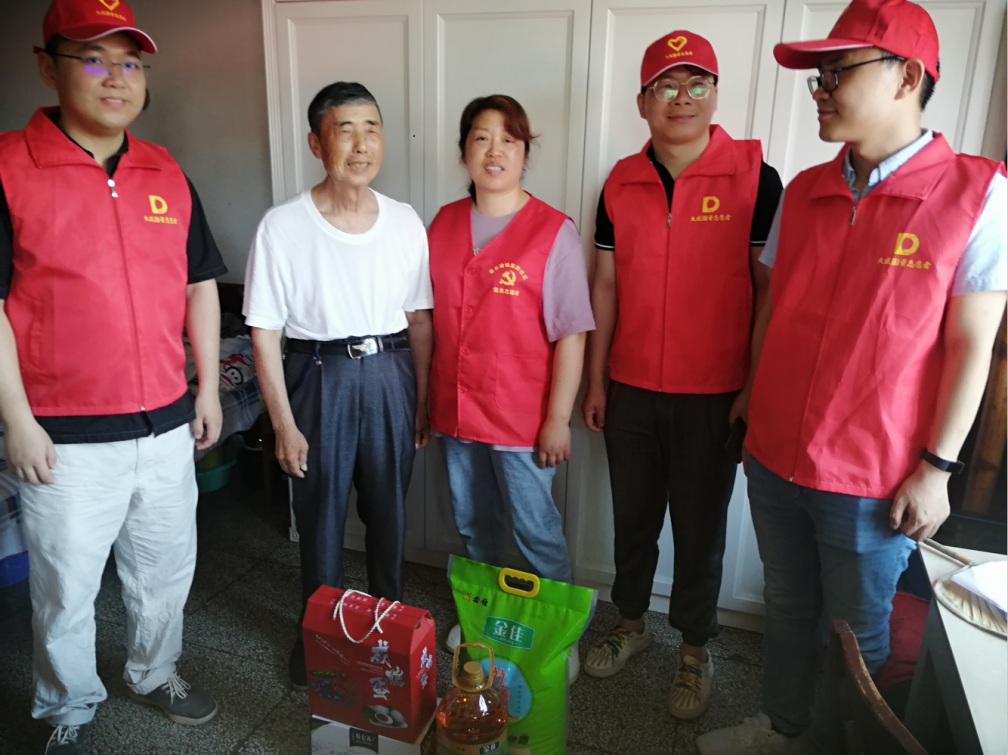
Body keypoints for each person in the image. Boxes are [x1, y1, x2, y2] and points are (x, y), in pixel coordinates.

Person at [698, 0, 1007, 752]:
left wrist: (937, 468)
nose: (821, 89)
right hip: (775, 451)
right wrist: (750, 395)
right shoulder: (806, 190)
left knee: (856, 634)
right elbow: (775, 307)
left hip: (874, 474)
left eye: (838, 72)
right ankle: (782, 728)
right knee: (786, 602)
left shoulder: (975, 194)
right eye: (819, 76)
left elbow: (973, 344)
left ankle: (837, 744)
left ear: (907, 76)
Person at [0, 0, 226, 751]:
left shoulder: (167, 171)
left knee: (165, 570)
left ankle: (154, 671)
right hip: (62, 437)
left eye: (130, 62)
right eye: (93, 59)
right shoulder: (8, 168)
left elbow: (199, 284)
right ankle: (67, 705)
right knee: (65, 586)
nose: (116, 77)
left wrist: (207, 388)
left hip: (164, 424)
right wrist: (18, 420)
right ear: (48, 67)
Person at [580, 30, 783, 719]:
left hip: (715, 394)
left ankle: (694, 649)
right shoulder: (620, 181)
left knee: (700, 530)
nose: (682, 97)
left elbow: (769, 291)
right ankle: (631, 623)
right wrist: (597, 379)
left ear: (716, 94)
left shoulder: (757, 178)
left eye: (698, 83)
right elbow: (605, 285)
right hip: (632, 387)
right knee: (632, 519)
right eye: (666, 85)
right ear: (643, 101)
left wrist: (752, 387)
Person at [244, 82, 434, 690]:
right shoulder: (282, 227)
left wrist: (421, 398)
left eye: (371, 128)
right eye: (345, 130)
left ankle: (389, 633)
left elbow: (419, 319)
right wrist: (283, 424)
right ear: (316, 143)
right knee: (320, 519)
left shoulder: (404, 221)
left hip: (391, 375)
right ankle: (320, 642)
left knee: (389, 514)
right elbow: (264, 334)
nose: (361, 144)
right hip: (317, 377)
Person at [428, 95, 594, 681]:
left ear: (525, 153)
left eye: (509, 139)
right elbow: (425, 316)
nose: (494, 150)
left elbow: (572, 332)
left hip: (523, 418)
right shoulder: (443, 224)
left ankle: (558, 633)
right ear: (463, 152)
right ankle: (486, 617)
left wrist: (558, 419)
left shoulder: (553, 232)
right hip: (455, 408)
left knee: (534, 530)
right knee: (473, 522)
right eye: (481, 137)